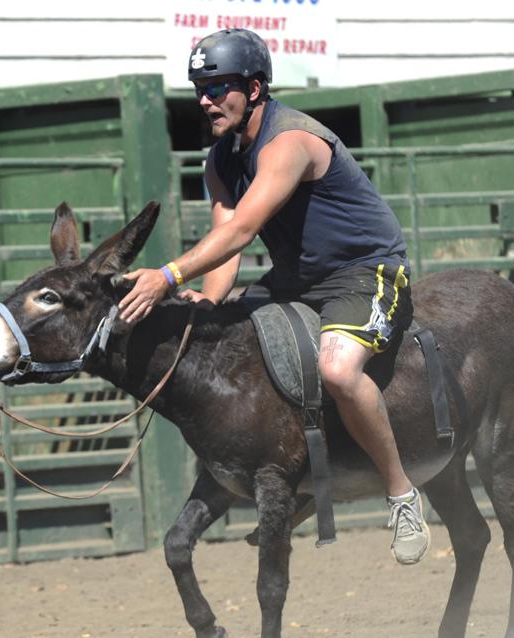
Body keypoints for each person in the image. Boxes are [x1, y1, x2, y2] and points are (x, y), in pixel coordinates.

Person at [118, 28, 429, 565]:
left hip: (365, 272)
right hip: (296, 278)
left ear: (256, 88)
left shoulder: (290, 143)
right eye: (200, 88)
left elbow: (241, 232)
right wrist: (211, 303)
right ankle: (304, 480)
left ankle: (402, 494)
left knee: (337, 370)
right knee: (228, 340)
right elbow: (226, 244)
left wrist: (166, 277)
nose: (205, 100)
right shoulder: (220, 159)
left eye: (218, 88)